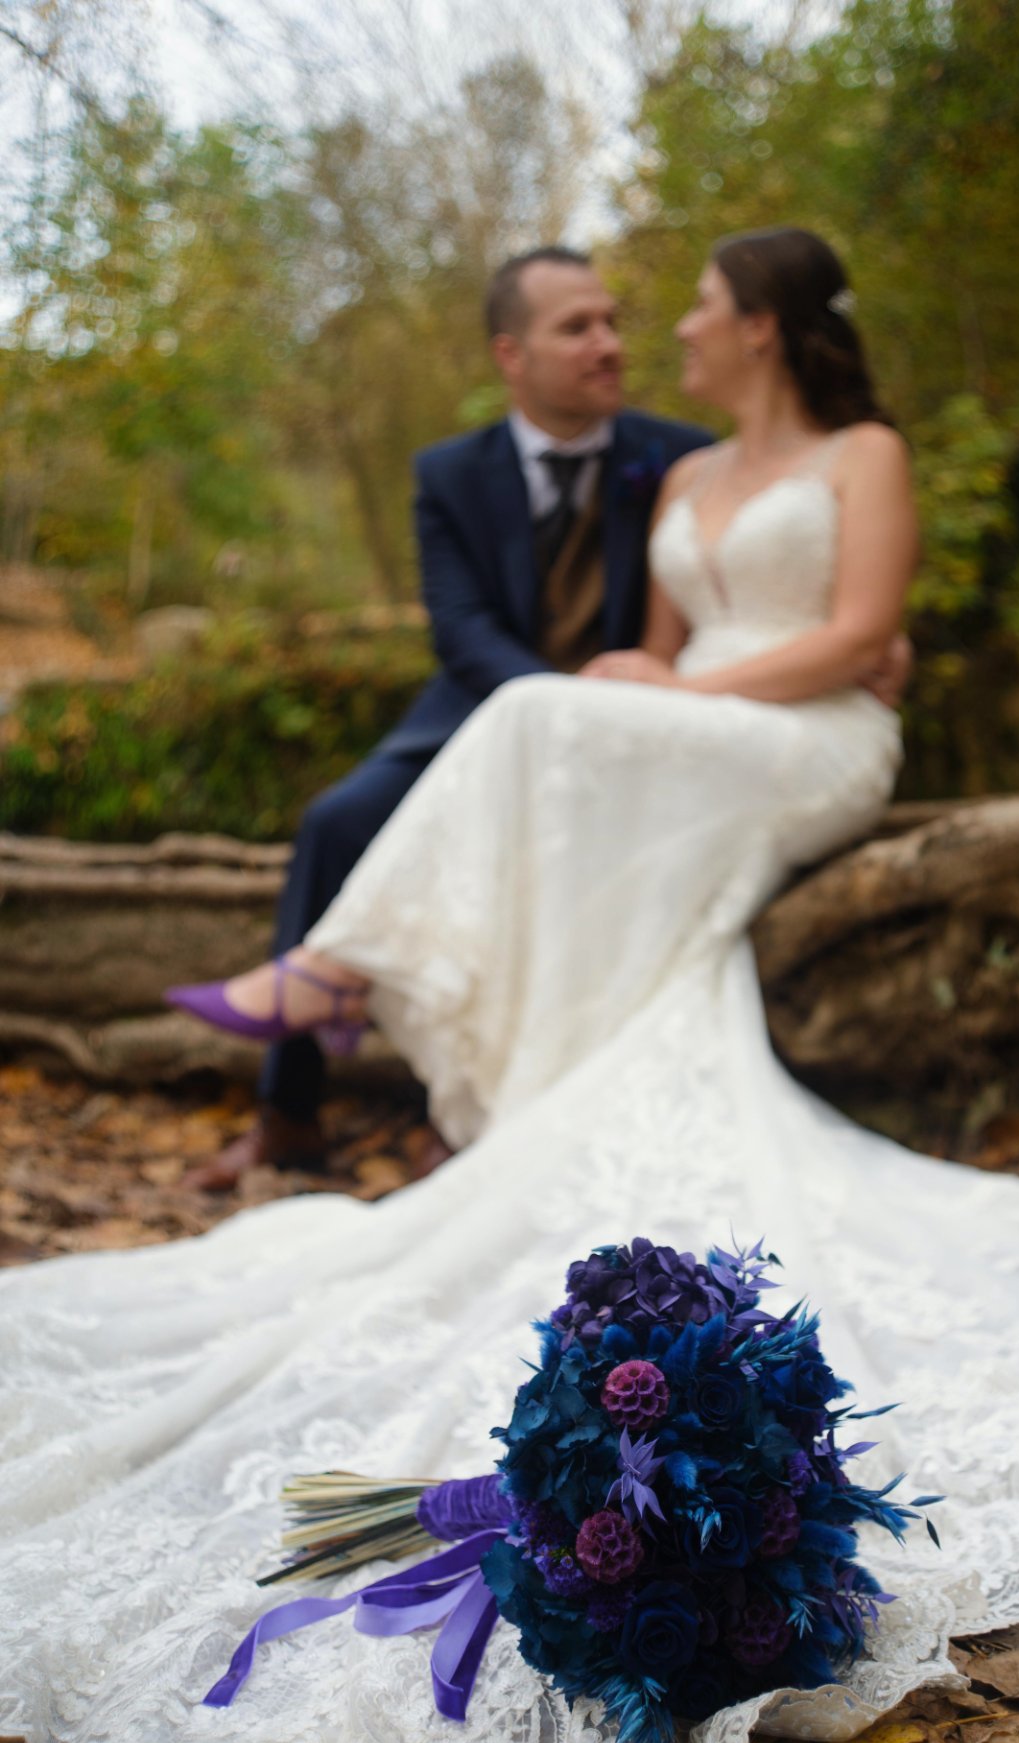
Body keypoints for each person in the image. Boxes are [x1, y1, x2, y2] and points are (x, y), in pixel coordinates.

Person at [3, 229, 1019, 1743]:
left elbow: (858, 633)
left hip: (820, 738)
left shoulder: (861, 450)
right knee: (559, 719)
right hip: (710, 729)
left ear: (759, 323)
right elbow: (660, 661)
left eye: (686, 304)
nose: (660, 325)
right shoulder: (683, 479)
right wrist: (647, 676)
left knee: (543, 716)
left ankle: (329, 971)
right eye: (616, 312)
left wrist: (671, 684)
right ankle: (481, 1017)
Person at [182, 245, 715, 1193]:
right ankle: (288, 1112)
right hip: (476, 710)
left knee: (534, 854)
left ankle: (462, 1115)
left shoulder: (679, 458)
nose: (609, 344)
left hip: (634, 738)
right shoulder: (449, 473)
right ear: (511, 355)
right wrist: (549, 712)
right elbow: (463, 630)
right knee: (336, 822)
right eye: (577, 327)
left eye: (612, 322)